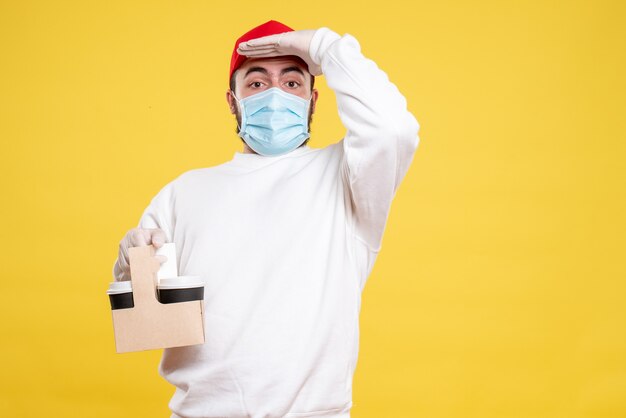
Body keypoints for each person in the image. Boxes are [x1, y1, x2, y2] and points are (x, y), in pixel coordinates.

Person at [113, 20, 420, 418]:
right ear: (232, 100)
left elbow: (392, 129)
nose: (275, 94)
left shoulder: (348, 179)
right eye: (257, 84)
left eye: (292, 83)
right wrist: (130, 266)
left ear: (313, 101)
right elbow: (149, 319)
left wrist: (328, 48)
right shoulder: (182, 193)